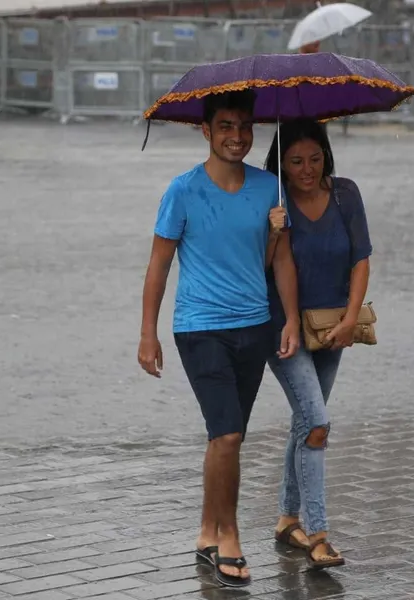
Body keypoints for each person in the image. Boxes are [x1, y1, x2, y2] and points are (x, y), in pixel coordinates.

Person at [137, 89, 301, 588]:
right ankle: (228, 538)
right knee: (228, 435)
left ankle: (206, 531)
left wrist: (291, 317)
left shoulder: (269, 188)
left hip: (255, 326)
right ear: (205, 130)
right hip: (200, 327)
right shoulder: (183, 191)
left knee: (226, 436)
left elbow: (278, 261)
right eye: (226, 126)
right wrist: (148, 334)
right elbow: (159, 265)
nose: (237, 136)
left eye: (245, 126)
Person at [262, 118, 372, 569]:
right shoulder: (271, 200)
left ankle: (288, 520)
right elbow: (263, 266)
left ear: (327, 156)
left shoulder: (346, 194)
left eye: (315, 159)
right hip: (282, 329)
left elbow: (361, 259)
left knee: (305, 423)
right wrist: (273, 232)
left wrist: (349, 320)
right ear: (281, 164)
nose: (307, 169)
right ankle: (319, 534)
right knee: (317, 423)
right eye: (295, 162)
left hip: (332, 328)